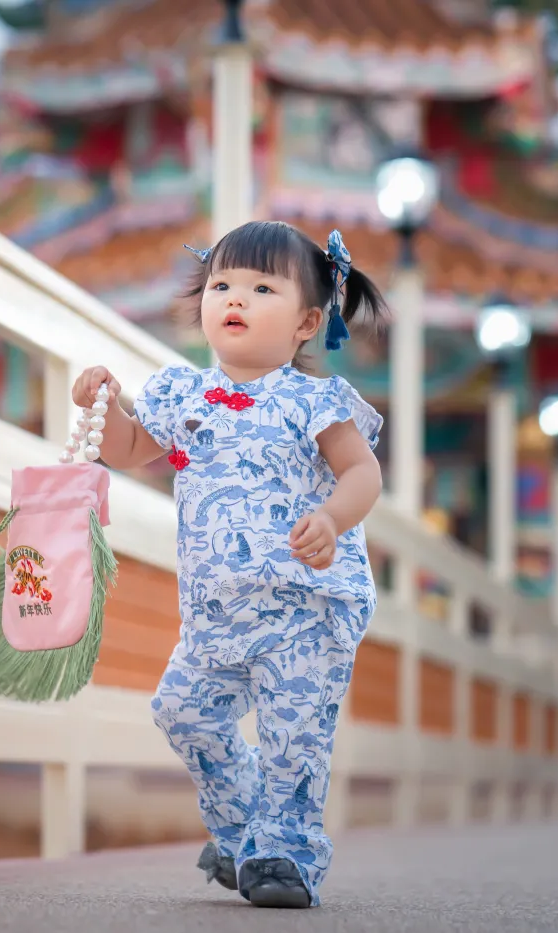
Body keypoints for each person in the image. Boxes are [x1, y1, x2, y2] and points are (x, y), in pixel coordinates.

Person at [71, 221, 386, 909]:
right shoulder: (182, 394)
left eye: (261, 287)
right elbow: (126, 448)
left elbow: (363, 472)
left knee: (291, 734)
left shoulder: (314, 401)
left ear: (307, 320)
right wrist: (104, 402)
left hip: (304, 608)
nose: (234, 298)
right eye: (221, 285)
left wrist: (332, 517)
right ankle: (246, 831)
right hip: (216, 615)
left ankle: (285, 853)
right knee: (183, 711)